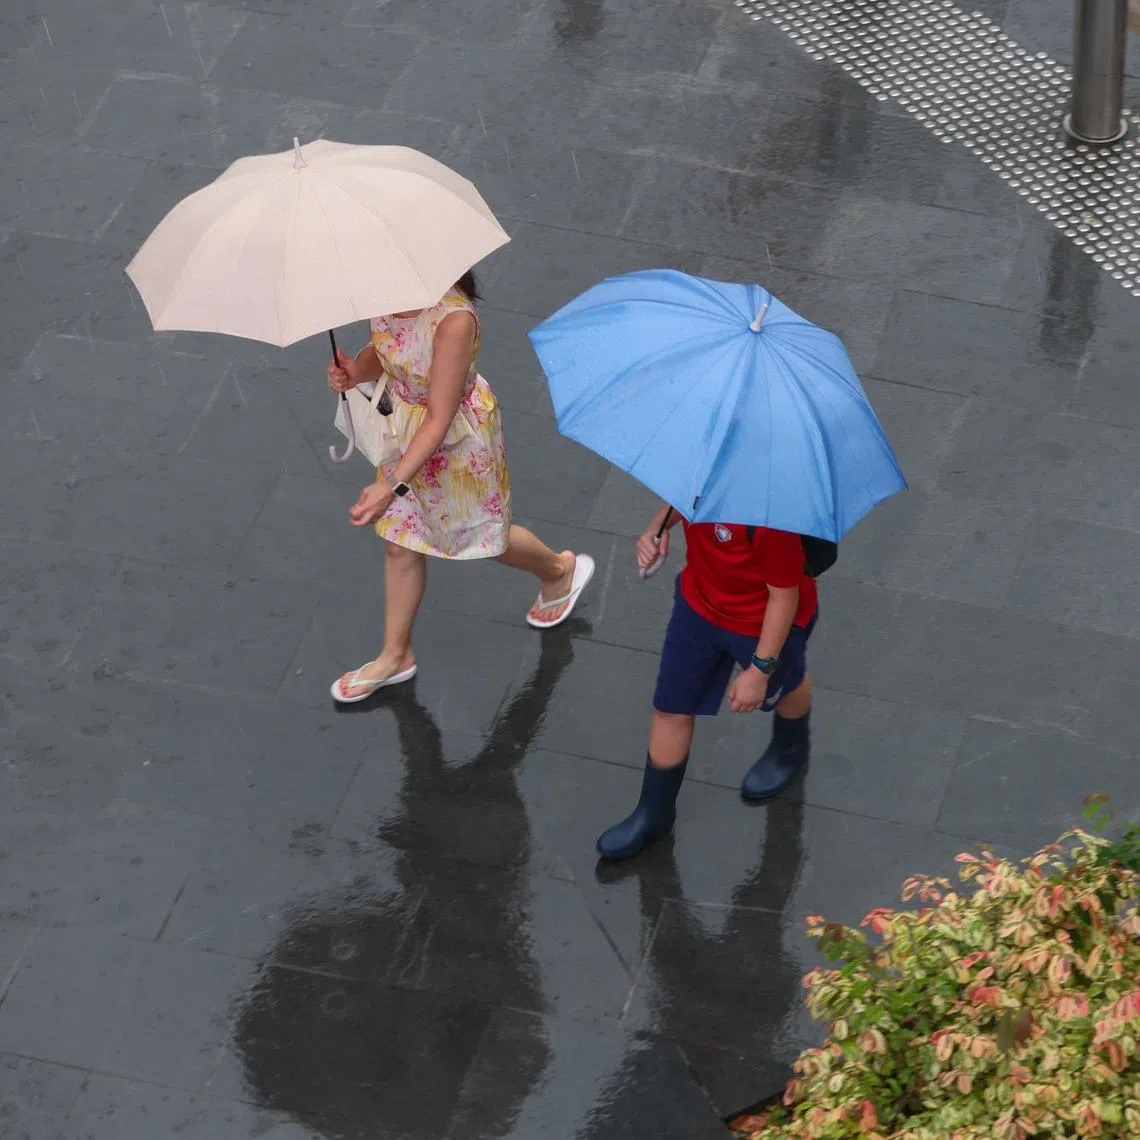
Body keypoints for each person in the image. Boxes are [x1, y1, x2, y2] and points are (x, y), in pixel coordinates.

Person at [326, 271, 594, 703]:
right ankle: (395, 655)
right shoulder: (382, 291)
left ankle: (559, 571)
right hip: (406, 435)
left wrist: (390, 485)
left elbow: (440, 416)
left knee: (483, 539)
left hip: (454, 446)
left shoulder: (454, 321)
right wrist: (356, 370)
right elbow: (385, 349)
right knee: (400, 541)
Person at [596, 505, 817, 860]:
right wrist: (656, 528)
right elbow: (679, 500)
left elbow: (784, 596)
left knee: (786, 686)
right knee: (670, 706)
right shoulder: (702, 474)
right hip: (697, 608)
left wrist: (760, 671)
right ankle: (653, 812)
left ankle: (791, 748)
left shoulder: (770, 520)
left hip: (760, 626)